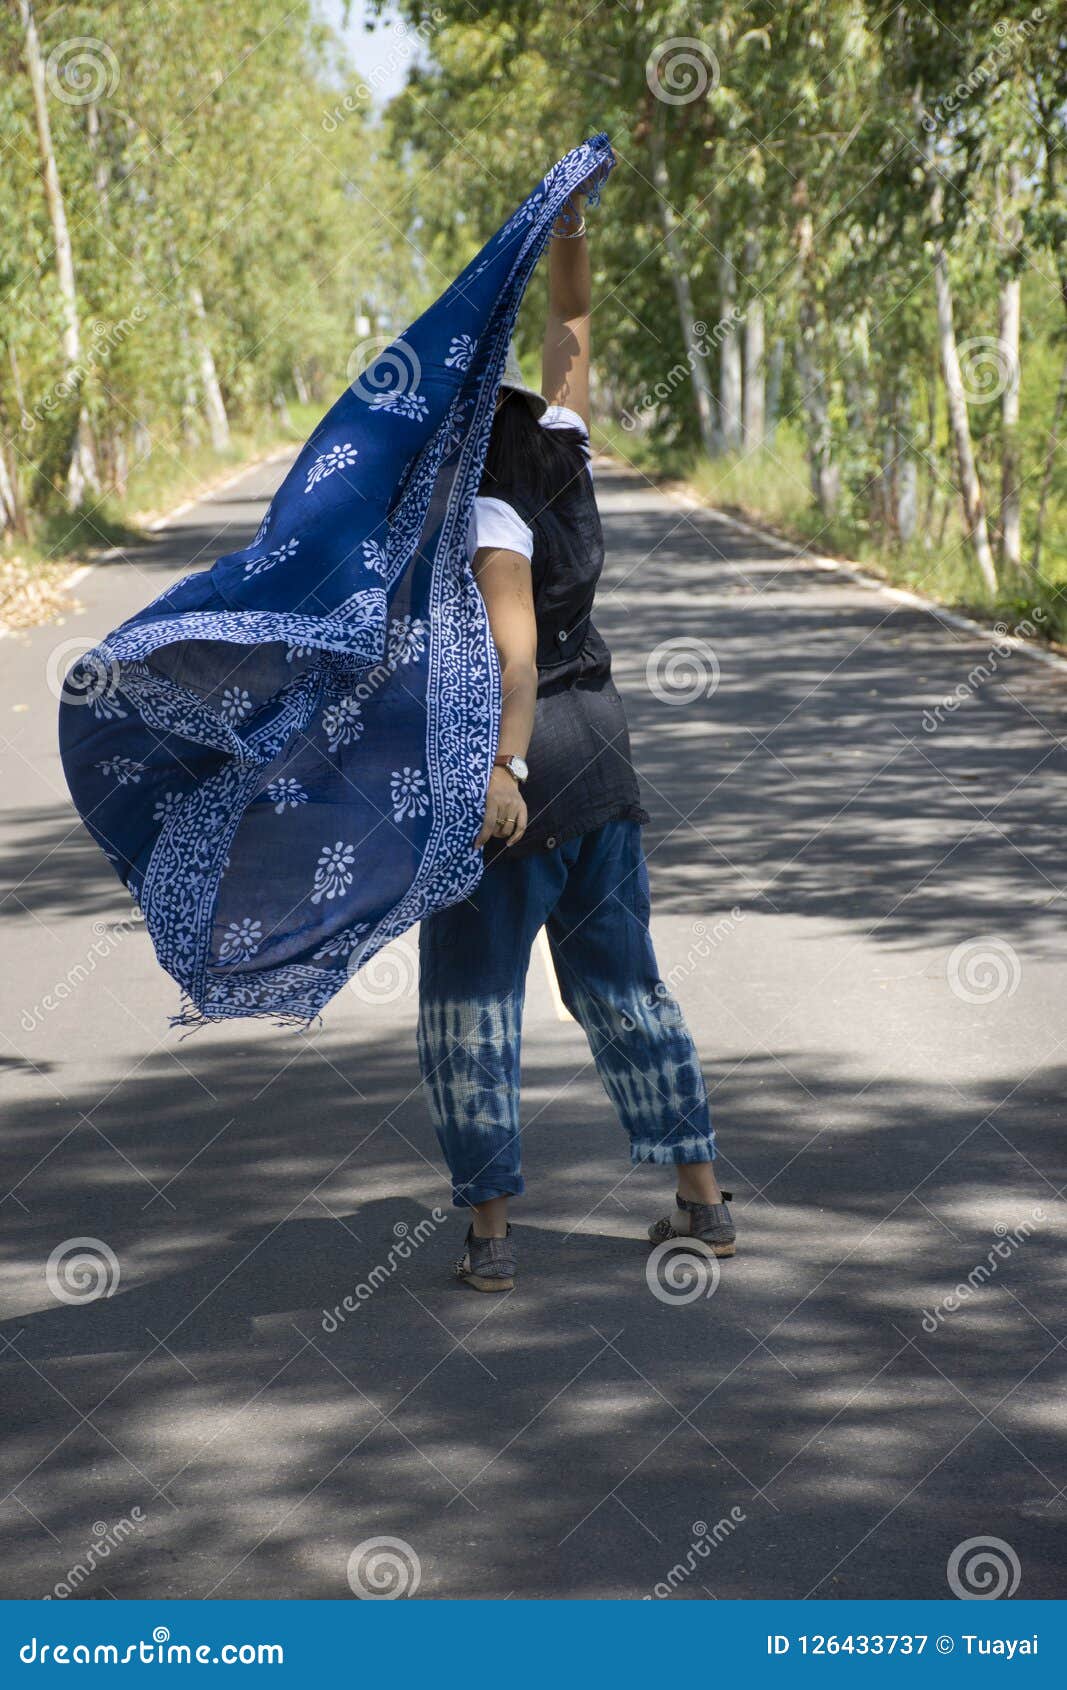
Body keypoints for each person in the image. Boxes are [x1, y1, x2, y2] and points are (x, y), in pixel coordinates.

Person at [416, 180, 734, 1292]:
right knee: (621, 985)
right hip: (601, 753)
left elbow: (511, 649)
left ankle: (492, 1234)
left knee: (471, 996)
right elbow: (571, 335)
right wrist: (570, 236)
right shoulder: (553, 437)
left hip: (518, 765)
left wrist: (499, 766)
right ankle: (701, 1200)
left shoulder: (484, 495)